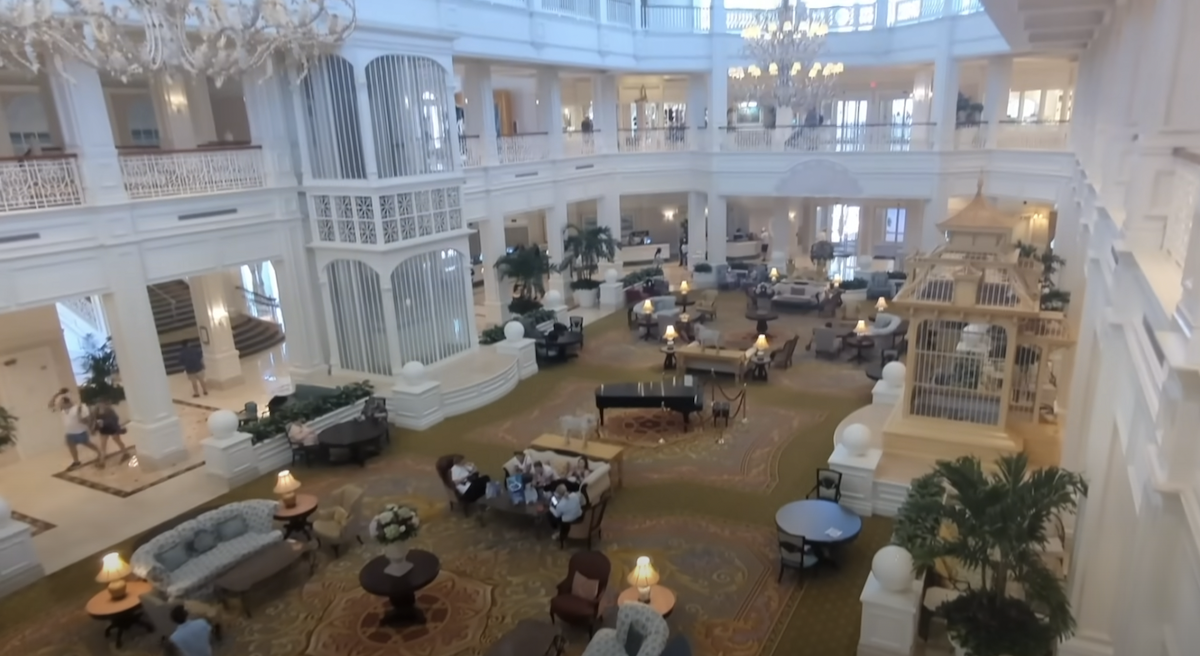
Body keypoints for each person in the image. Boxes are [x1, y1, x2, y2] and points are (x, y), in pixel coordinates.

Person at [49, 389, 99, 471]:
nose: (60, 405)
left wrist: (91, 427)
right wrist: (57, 394)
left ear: (67, 402)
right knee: (71, 446)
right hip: (69, 433)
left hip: (80, 431)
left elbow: (87, 419)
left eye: (61, 403)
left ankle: (99, 452)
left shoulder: (79, 408)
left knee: (87, 443)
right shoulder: (63, 410)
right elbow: (50, 405)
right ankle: (76, 461)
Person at [92, 399, 131, 467]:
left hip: (111, 428)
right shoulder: (97, 411)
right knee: (103, 445)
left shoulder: (109, 411)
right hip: (104, 429)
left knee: (117, 441)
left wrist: (104, 423)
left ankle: (125, 453)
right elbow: (95, 420)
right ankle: (102, 462)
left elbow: (115, 419)